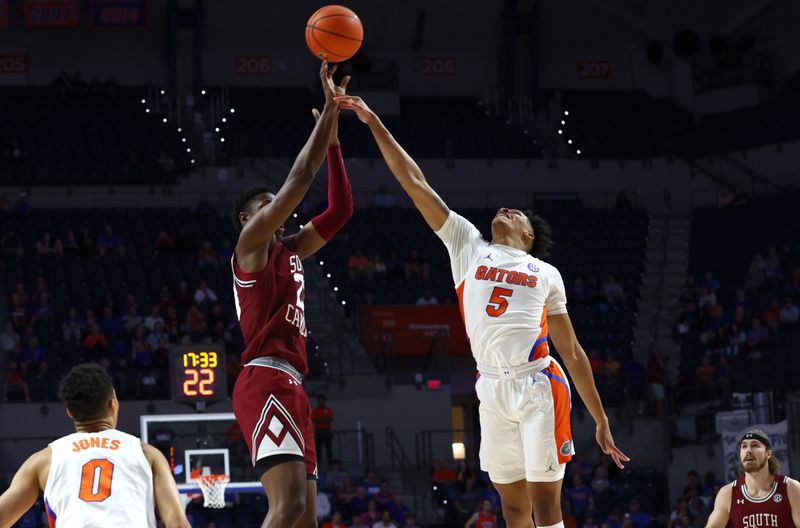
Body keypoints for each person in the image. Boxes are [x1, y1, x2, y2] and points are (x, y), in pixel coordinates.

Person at [337, 93, 629, 528]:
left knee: (546, 506)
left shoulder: (546, 272)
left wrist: (601, 419)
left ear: (528, 234)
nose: (504, 210)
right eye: (503, 209)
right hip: (491, 389)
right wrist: (373, 122)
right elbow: (414, 181)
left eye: (515, 213)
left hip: (539, 386)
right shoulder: (467, 246)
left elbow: (573, 350)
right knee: (512, 508)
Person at [231, 61, 352, 528]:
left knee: (305, 518)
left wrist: (336, 140)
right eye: (267, 207)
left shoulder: (290, 246)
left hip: (293, 383)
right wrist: (327, 112)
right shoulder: (251, 247)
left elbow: (341, 209)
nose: (277, 212)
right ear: (248, 219)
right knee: (287, 508)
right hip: (264, 379)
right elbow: (299, 184)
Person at [0, 363, 189, 527]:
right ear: (113, 404)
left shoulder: (43, 461)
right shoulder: (147, 454)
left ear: (69, 412)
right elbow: (178, 524)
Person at [705, 429, 800, 527]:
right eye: (744, 446)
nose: (748, 450)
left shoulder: (791, 488)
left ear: (768, 454)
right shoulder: (728, 493)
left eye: (755, 445)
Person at [312, 394, 334, 466]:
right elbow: (315, 419)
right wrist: (324, 419)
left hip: (327, 430)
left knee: (329, 448)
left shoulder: (328, 410)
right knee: (318, 448)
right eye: (320, 400)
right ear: (318, 401)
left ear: (325, 401)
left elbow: (330, 419)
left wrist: (321, 420)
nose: (321, 402)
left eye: (323, 400)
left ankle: (330, 463)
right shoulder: (315, 410)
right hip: (319, 430)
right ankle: (318, 463)